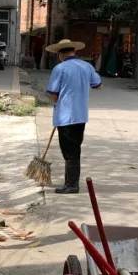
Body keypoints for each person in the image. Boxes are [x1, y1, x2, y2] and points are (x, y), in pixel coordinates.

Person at [45, 39, 101, 194]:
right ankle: (71, 181)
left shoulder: (60, 68)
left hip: (65, 116)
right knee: (75, 148)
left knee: (69, 151)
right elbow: (98, 84)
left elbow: (53, 94)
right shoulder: (87, 66)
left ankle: (71, 185)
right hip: (81, 116)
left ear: (60, 54)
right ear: (73, 51)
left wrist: (57, 104)